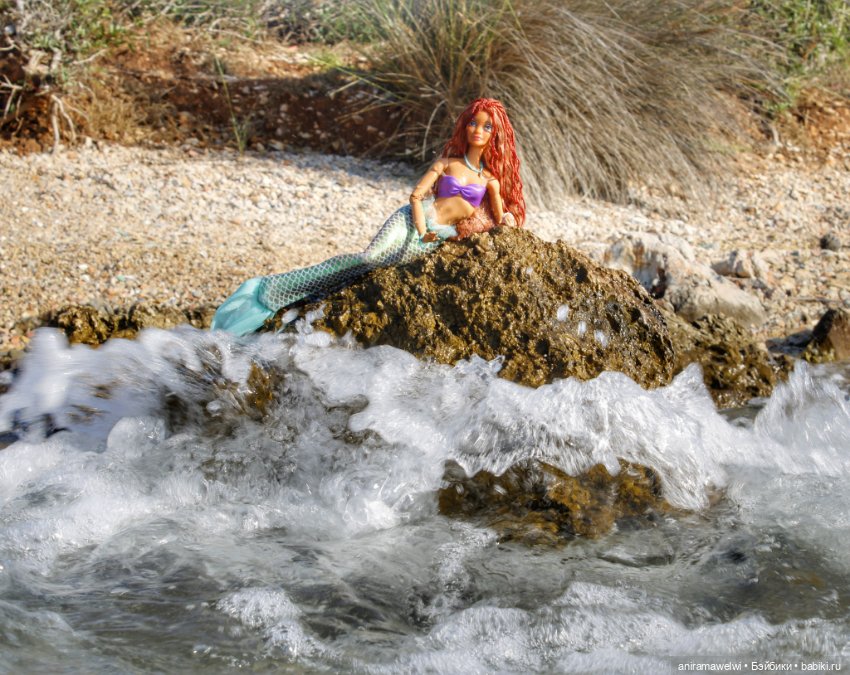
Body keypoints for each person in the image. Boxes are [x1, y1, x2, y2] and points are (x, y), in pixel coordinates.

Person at [211, 97, 526, 335]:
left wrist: (508, 221)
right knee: (370, 258)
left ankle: (306, 298)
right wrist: (421, 228)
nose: (478, 131)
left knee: (366, 275)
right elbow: (416, 196)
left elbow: (500, 219)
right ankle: (272, 290)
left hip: (434, 240)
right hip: (411, 222)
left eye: (487, 126)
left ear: (495, 134)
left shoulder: (490, 181)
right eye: (474, 123)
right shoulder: (447, 163)